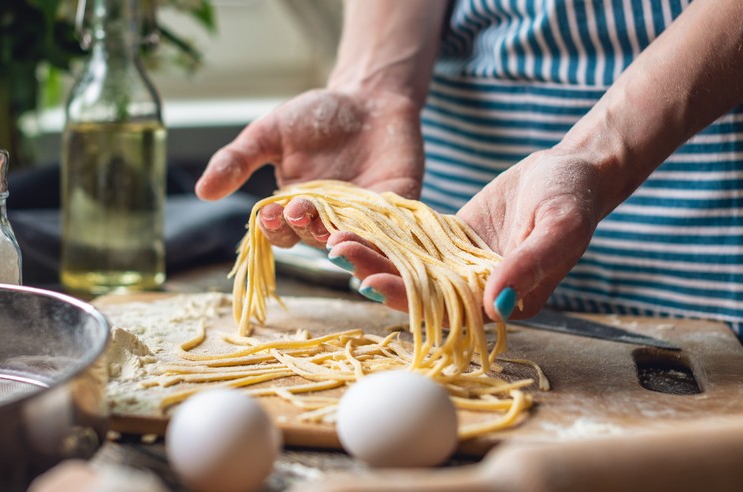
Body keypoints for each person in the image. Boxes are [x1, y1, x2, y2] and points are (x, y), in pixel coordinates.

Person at [195, 0, 743, 337]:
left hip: (696, 177)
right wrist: (372, 89)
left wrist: (595, 154)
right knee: (458, 319)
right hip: (472, 206)